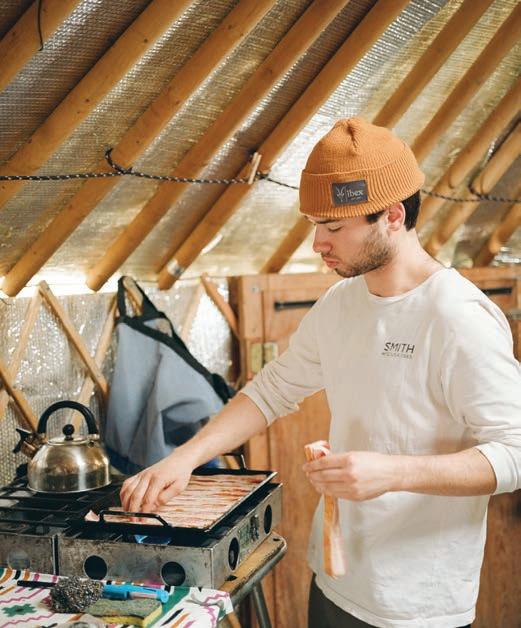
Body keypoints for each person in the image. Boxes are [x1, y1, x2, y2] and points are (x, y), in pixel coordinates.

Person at [120, 118, 521, 628]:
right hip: (334, 579)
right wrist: (185, 459)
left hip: (415, 605)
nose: (317, 243)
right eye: (314, 224)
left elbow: (515, 452)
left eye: (333, 227)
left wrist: (392, 473)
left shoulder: (458, 317)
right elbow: (271, 390)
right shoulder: (340, 303)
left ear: (392, 216)